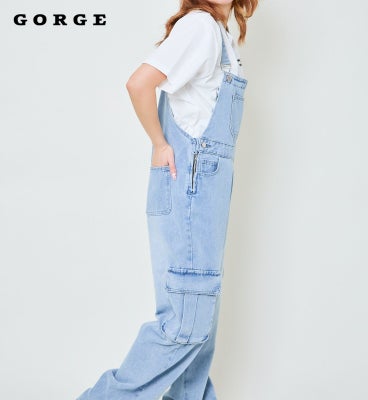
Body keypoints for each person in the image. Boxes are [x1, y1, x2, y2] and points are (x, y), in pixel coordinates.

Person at [76, 1, 258, 399]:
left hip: (203, 189)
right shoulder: (201, 27)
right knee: (187, 321)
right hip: (193, 187)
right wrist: (160, 143)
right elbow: (139, 83)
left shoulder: (220, 35)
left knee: (199, 321)